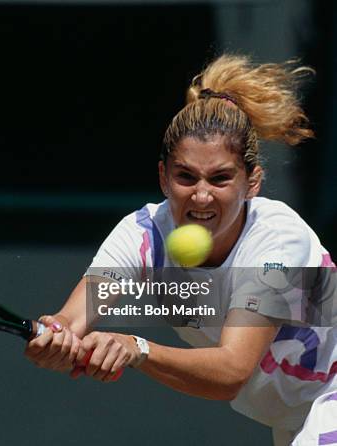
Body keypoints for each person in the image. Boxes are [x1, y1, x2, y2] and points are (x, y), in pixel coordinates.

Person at [24, 54, 337, 446]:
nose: (201, 195)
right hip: (295, 418)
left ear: (252, 182)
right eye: (185, 176)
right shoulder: (140, 237)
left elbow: (231, 371)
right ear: (163, 178)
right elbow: (72, 321)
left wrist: (134, 347)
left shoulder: (278, 241)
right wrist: (54, 341)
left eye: (220, 178)